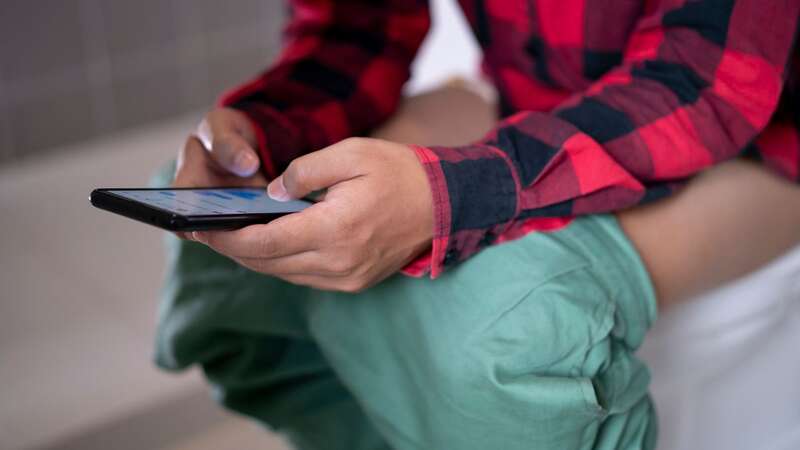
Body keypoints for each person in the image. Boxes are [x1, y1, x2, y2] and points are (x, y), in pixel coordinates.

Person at [155, 1, 800, 449]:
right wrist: (266, 125)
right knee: (225, 260)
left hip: (755, 135)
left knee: (507, 332)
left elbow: (700, 79)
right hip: (538, 97)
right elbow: (361, 24)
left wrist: (455, 196)